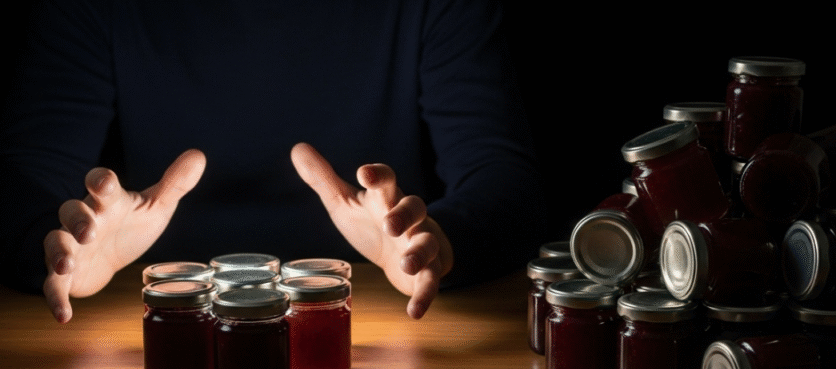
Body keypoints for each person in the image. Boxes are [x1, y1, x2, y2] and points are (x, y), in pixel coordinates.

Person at [0, 0, 546, 322]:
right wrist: (61, 250)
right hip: (162, 322)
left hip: (378, 329)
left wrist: (438, 246)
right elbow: (19, 182)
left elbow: (504, 178)